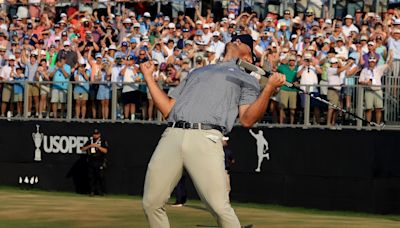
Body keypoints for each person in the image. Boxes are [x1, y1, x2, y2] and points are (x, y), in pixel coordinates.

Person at [140, 34, 286, 228]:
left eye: (242, 42)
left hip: (206, 138)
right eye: (236, 39)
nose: (236, 40)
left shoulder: (246, 79)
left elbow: (247, 119)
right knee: (151, 203)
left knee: (219, 207)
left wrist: (268, 89)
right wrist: (149, 78)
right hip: (172, 135)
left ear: (249, 59)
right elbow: (167, 109)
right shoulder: (196, 72)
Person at [358, 55, 392, 126]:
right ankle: (368, 125)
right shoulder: (364, 70)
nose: (372, 63)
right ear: (368, 62)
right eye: (370, 62)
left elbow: (388, 64)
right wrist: (366, 82)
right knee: (368, 109)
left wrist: (391, 56)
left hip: (378, 90)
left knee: (378, 109)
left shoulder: (379, 68)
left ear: (375, 62)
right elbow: (360, 81)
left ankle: (378, 125)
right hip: (368, 91)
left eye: (373, 62)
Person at [80, 129, 109, 196]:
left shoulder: (103, 141)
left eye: (96, 134)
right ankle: (92, 192)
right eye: (94, 134)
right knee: (91, 177)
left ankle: (102, 192)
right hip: (91, 161)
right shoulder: (90, 141)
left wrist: (98, 146)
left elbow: (105, 151)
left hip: (100, 162)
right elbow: (82, 148)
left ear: (99, 135)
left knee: (100, 177)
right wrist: (90, 146)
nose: (95, 135)